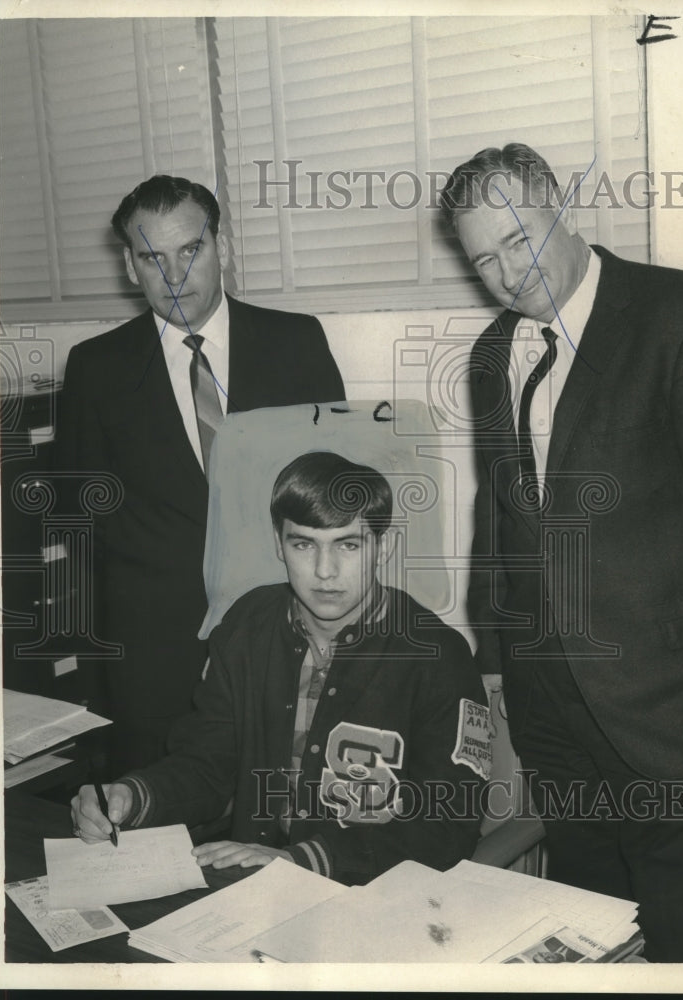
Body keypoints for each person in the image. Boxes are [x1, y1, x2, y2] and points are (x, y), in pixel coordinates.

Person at [440, 143, 683, 962]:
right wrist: (498, 659)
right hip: (551, 708)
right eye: (483, 260)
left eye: (520, 238)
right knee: (585, 930)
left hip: (668, 707)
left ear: (557, 205)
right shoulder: (491, 353)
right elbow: (498, 511)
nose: (508, 272)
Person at [70, 452, 489, 885]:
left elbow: (446, 825)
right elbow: (209, 765)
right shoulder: (246, 626)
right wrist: (132, 797)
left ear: (384, 547)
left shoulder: (438, 656)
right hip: (255, 883)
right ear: (278, 544)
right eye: (304, 544)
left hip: (374, 892)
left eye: (348, 545)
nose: (325, 572)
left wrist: (301, 861)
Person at [55, 176, 345, 773]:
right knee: (163, 834)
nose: (175, 276)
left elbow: (340, 497)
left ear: (224, 247)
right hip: (153, 656)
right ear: (130, 268)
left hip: (283, 635)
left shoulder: (297, 342)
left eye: (191, 250)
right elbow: (82, 526)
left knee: (281, 823)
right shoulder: (95, 368)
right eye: (152, 258)